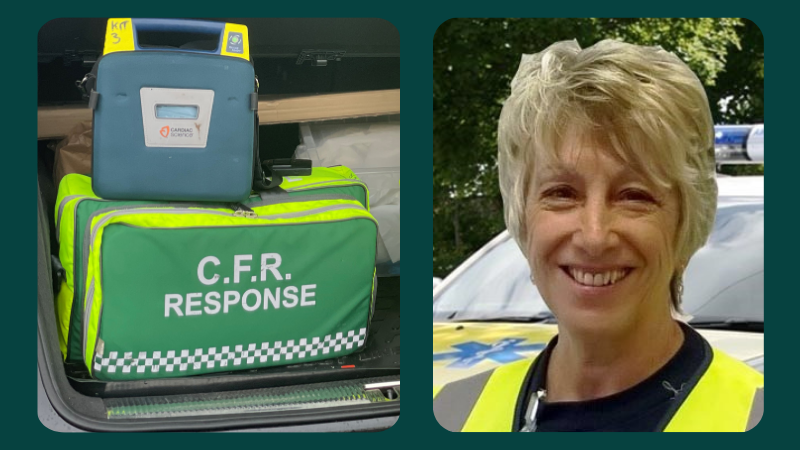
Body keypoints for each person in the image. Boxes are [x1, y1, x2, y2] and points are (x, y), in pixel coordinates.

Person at [433, 39, 763, 432]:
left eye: (634, 196)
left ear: (686, 222)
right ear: (522, 217)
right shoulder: (450, 412)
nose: (594, 235)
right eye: (561, 193)